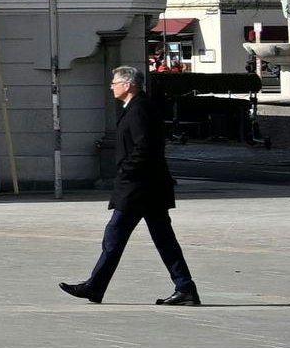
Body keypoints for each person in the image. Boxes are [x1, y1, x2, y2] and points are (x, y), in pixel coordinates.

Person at [63, 66, 200, 307]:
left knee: (115, 235)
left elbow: (144, 147)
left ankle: (95, 286)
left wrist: (126, 171)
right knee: (162, 239)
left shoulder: (140, 109)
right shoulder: (137, 107)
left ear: (128, 85)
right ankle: (185, 287)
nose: (111, 86)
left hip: (139, 188)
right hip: (147, 188)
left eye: (115, 82)